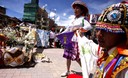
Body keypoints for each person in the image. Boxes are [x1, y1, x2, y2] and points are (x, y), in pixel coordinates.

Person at [92, 1, 128, 78]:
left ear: (124, 34)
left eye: (107, 30)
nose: (99, 34)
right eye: (98, 29)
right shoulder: (105, 53)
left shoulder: (125, 66)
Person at [60, 0, 92, 77]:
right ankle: (67, 71)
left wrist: (79, 29)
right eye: (75, 9)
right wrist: (60, 34)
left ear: (81, 11)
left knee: (77, 58)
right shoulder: (73, 20)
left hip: (76, 41)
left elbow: (89, 26)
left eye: (77, 8)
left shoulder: (83, 19)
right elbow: (68, 29)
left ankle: (85, 71)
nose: (75, 10)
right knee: (68, 57)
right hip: (69, 40)